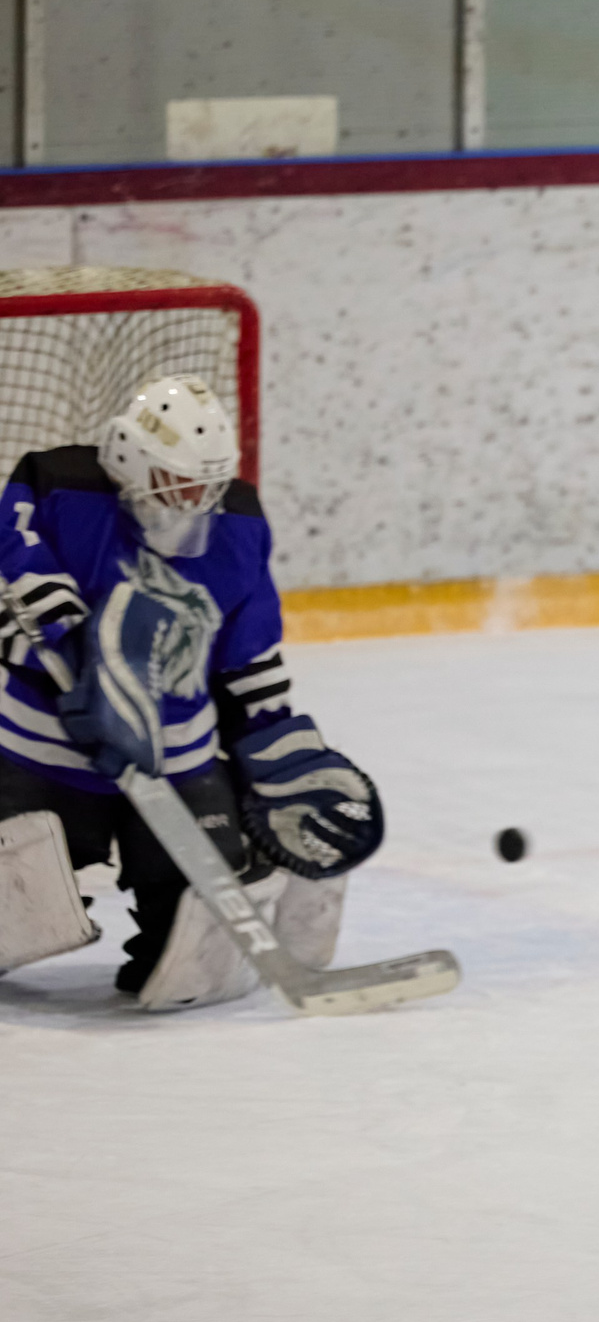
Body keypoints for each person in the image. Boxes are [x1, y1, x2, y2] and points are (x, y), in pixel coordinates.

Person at [0, 376, 386, 1007]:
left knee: (195, 957)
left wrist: (277, 744)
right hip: (44, 753)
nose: (194, 500)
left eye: (207, 485)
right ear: (128, 458)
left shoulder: (236, 529)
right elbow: (14, 577)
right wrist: (65, 650)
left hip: (178, 756)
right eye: (178, 481)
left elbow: (248, 655)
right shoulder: (57, 492)